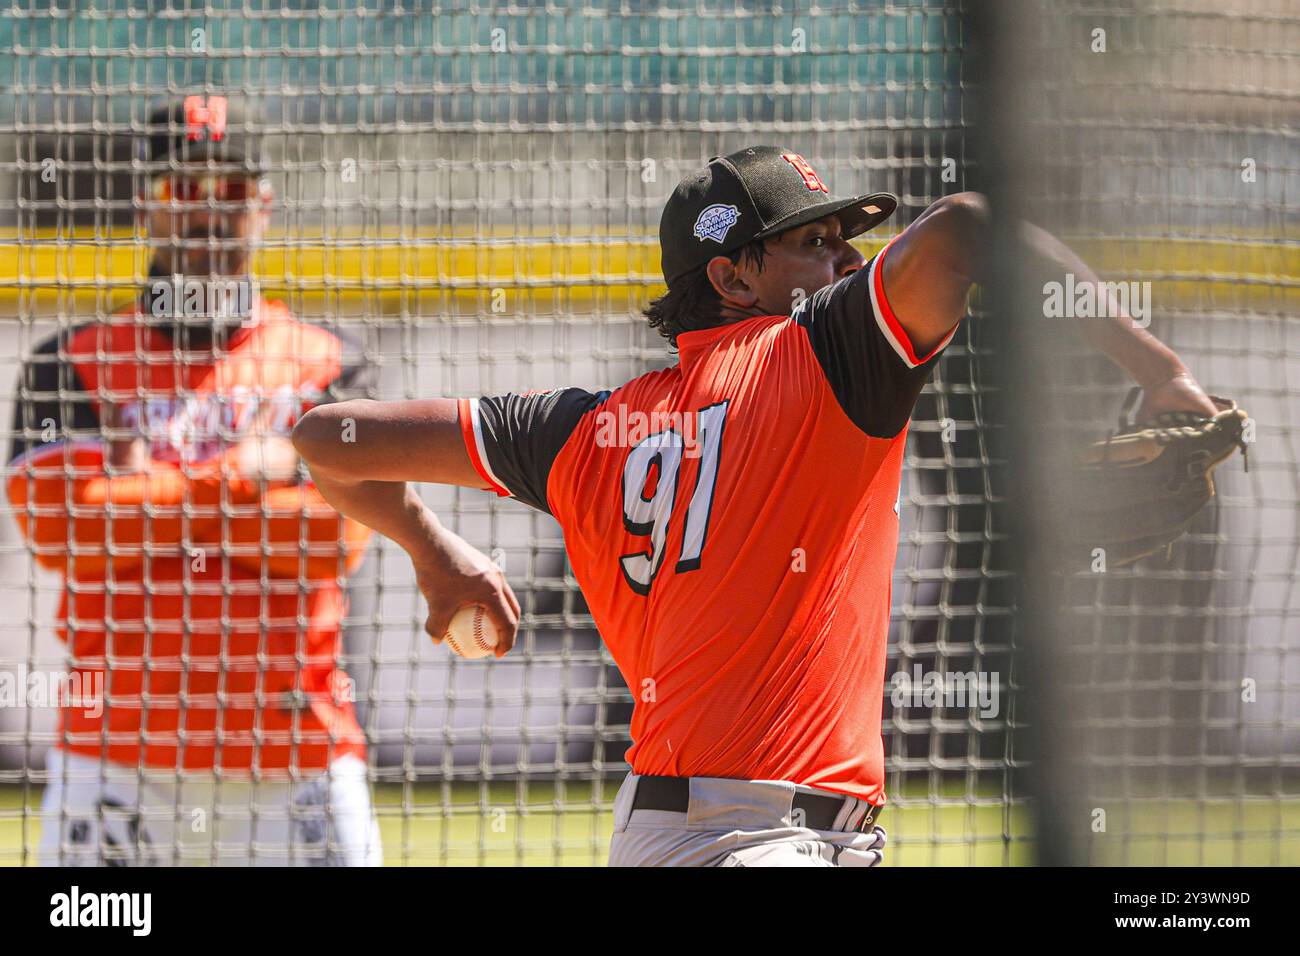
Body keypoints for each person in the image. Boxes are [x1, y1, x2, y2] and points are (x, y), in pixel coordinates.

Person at [291, 146, 1218, 866]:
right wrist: (1162, 370)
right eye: (814, 243)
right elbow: (970, 226)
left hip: (696, 830)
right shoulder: (822, 352)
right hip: (762, 840)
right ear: (733, 278)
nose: (844, 260)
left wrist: (432, 553)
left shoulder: (577, 429)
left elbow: (328, 436)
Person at [8, 95, 489, 865]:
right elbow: (69, 535)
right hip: (114, 764)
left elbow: (331, 538)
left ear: (263, 205)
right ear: (144, 204)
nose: (209, 214)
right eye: (182, 190)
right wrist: (247, 473)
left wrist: (146, 488)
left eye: (230, 191)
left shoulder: (331, 364)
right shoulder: (66, 363)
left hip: (297, 758)